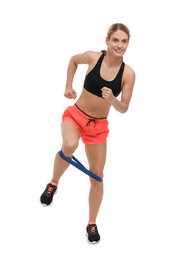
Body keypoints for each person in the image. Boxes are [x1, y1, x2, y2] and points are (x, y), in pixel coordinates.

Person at [40, 23, 135, 244]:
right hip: (75, 116)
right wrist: (68, 85)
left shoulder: (128, 74)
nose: (119, 45)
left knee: (97, 176)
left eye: (124, 41)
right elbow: (73, 60)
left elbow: (124, 108)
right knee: (69, 146)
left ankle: (91, 223)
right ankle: (53, 182)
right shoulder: (94, 57)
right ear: (107, 41)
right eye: (116, 40)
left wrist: (113, 100)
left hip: (98, 127)